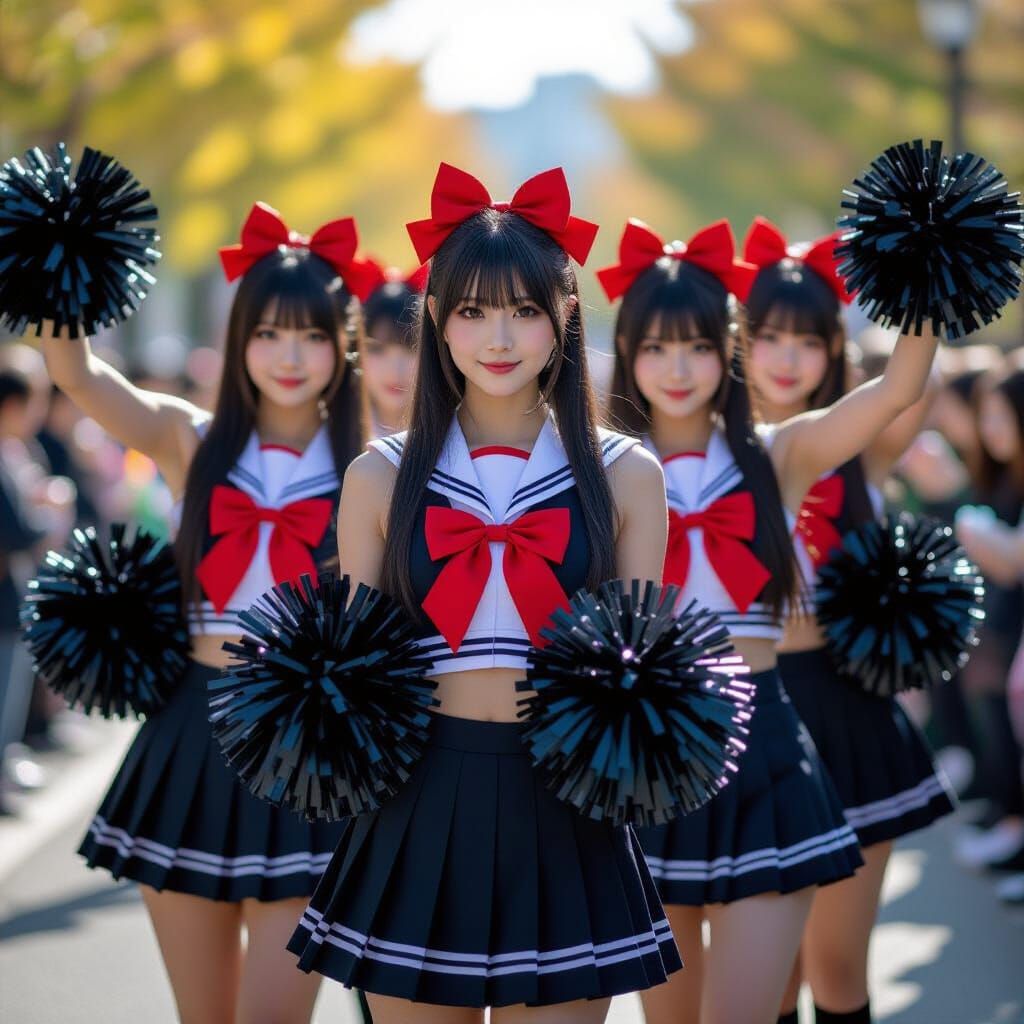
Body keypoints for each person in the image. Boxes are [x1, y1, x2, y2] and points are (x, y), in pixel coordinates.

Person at [287, 163, 680, 1023]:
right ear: (435, 318)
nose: (498, 337)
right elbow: (357, 677)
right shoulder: (377, 477)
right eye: (472, 310)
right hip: (419, 797)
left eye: (524, 310)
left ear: (565, 314)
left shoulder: (629, 475)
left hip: (570, 801)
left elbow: (648, 662)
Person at [598, 215, 938, 1024]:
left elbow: (898, 390)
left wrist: (933, 273)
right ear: (627, 357)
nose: (677, 370)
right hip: (651, 751)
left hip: (767, 743)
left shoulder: (777, 453)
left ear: (728, 351)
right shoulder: (602, 466)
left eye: (698, 348)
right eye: (655, 349)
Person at [38, 200, 370, 1024]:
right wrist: (60, 261)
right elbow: (78, 377)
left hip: (309, 749)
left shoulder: (373, 467)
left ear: (344, 344)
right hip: (192, 731)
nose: (289, 357)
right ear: (238, 343)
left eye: (312, 335)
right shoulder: (192, 437)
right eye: (267, 334)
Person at [740, 217, 955, 1024]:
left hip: (847, 707)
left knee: (836, 972)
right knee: (769, 981)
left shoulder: (854, 447)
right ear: (739, 341)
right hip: (752, 713)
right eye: (768, 337)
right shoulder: (704, 452)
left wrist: (930, 267)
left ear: (835, 351)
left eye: (808, 340)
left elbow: (911, 385)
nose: (788, 357)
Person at [358, 260, 426, 436]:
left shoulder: (461, 436)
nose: (395, 370)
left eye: (411, 348)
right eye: (377, 349)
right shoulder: (327, 437)